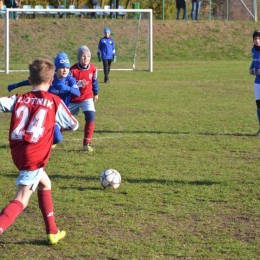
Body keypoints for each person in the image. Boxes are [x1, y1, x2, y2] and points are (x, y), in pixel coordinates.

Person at [0, 58, 79, 244]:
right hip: (34, 155)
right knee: (22, 198)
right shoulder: (54, 101)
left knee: (45, 183)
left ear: (29, 79)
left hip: (18, 153)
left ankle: (52, 232)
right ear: (51, 81)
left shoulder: (18, 98)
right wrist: (56, 125)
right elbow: (74, 125)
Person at [7, 52, 80, 146]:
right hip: (47, 110)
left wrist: (68, 88)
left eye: (67, 67)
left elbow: (77, 93)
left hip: (60, 112)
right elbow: (33, 80)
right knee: (57, 138)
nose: (65, 70)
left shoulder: (70, 80)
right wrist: (16, 85)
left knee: (56, 137)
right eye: (62, 67)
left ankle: (42, 141)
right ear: (56, 68)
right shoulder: (50, 78)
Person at [69, 45, 99, 152]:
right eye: (83, 56)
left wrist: (96, 93)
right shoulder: (72, 70)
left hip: (87, 98)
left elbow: (94, 82)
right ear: (78, 57)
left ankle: (86, 144)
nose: (85, 58)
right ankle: (54, 140)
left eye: (87, 56)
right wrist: (77, 84)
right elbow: (67, 84)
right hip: (73, 99)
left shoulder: (93, 69)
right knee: (62, 120)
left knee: (91, 116)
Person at [249, 29, 260, 136]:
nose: (257, 40)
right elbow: (254, 60)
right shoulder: (253, 50)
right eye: (256, 38)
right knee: (258, 106)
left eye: (259, 38)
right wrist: (251, 68)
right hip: (257, 82)